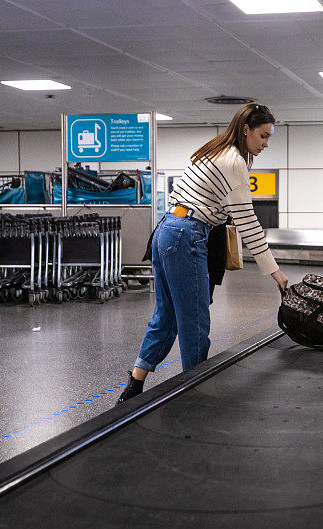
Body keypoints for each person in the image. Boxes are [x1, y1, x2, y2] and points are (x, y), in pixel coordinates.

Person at [118, 103, 288, 403]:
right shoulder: (234, 160)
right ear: (246, 129)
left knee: (166, 316)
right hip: (186, 236)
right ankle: (194, 393)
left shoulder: (213, 150)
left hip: (166, 230)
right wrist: (275, 272)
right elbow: (248, 221)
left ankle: (134, 384)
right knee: (194, 320)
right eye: (262, 136)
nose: (265, 144)